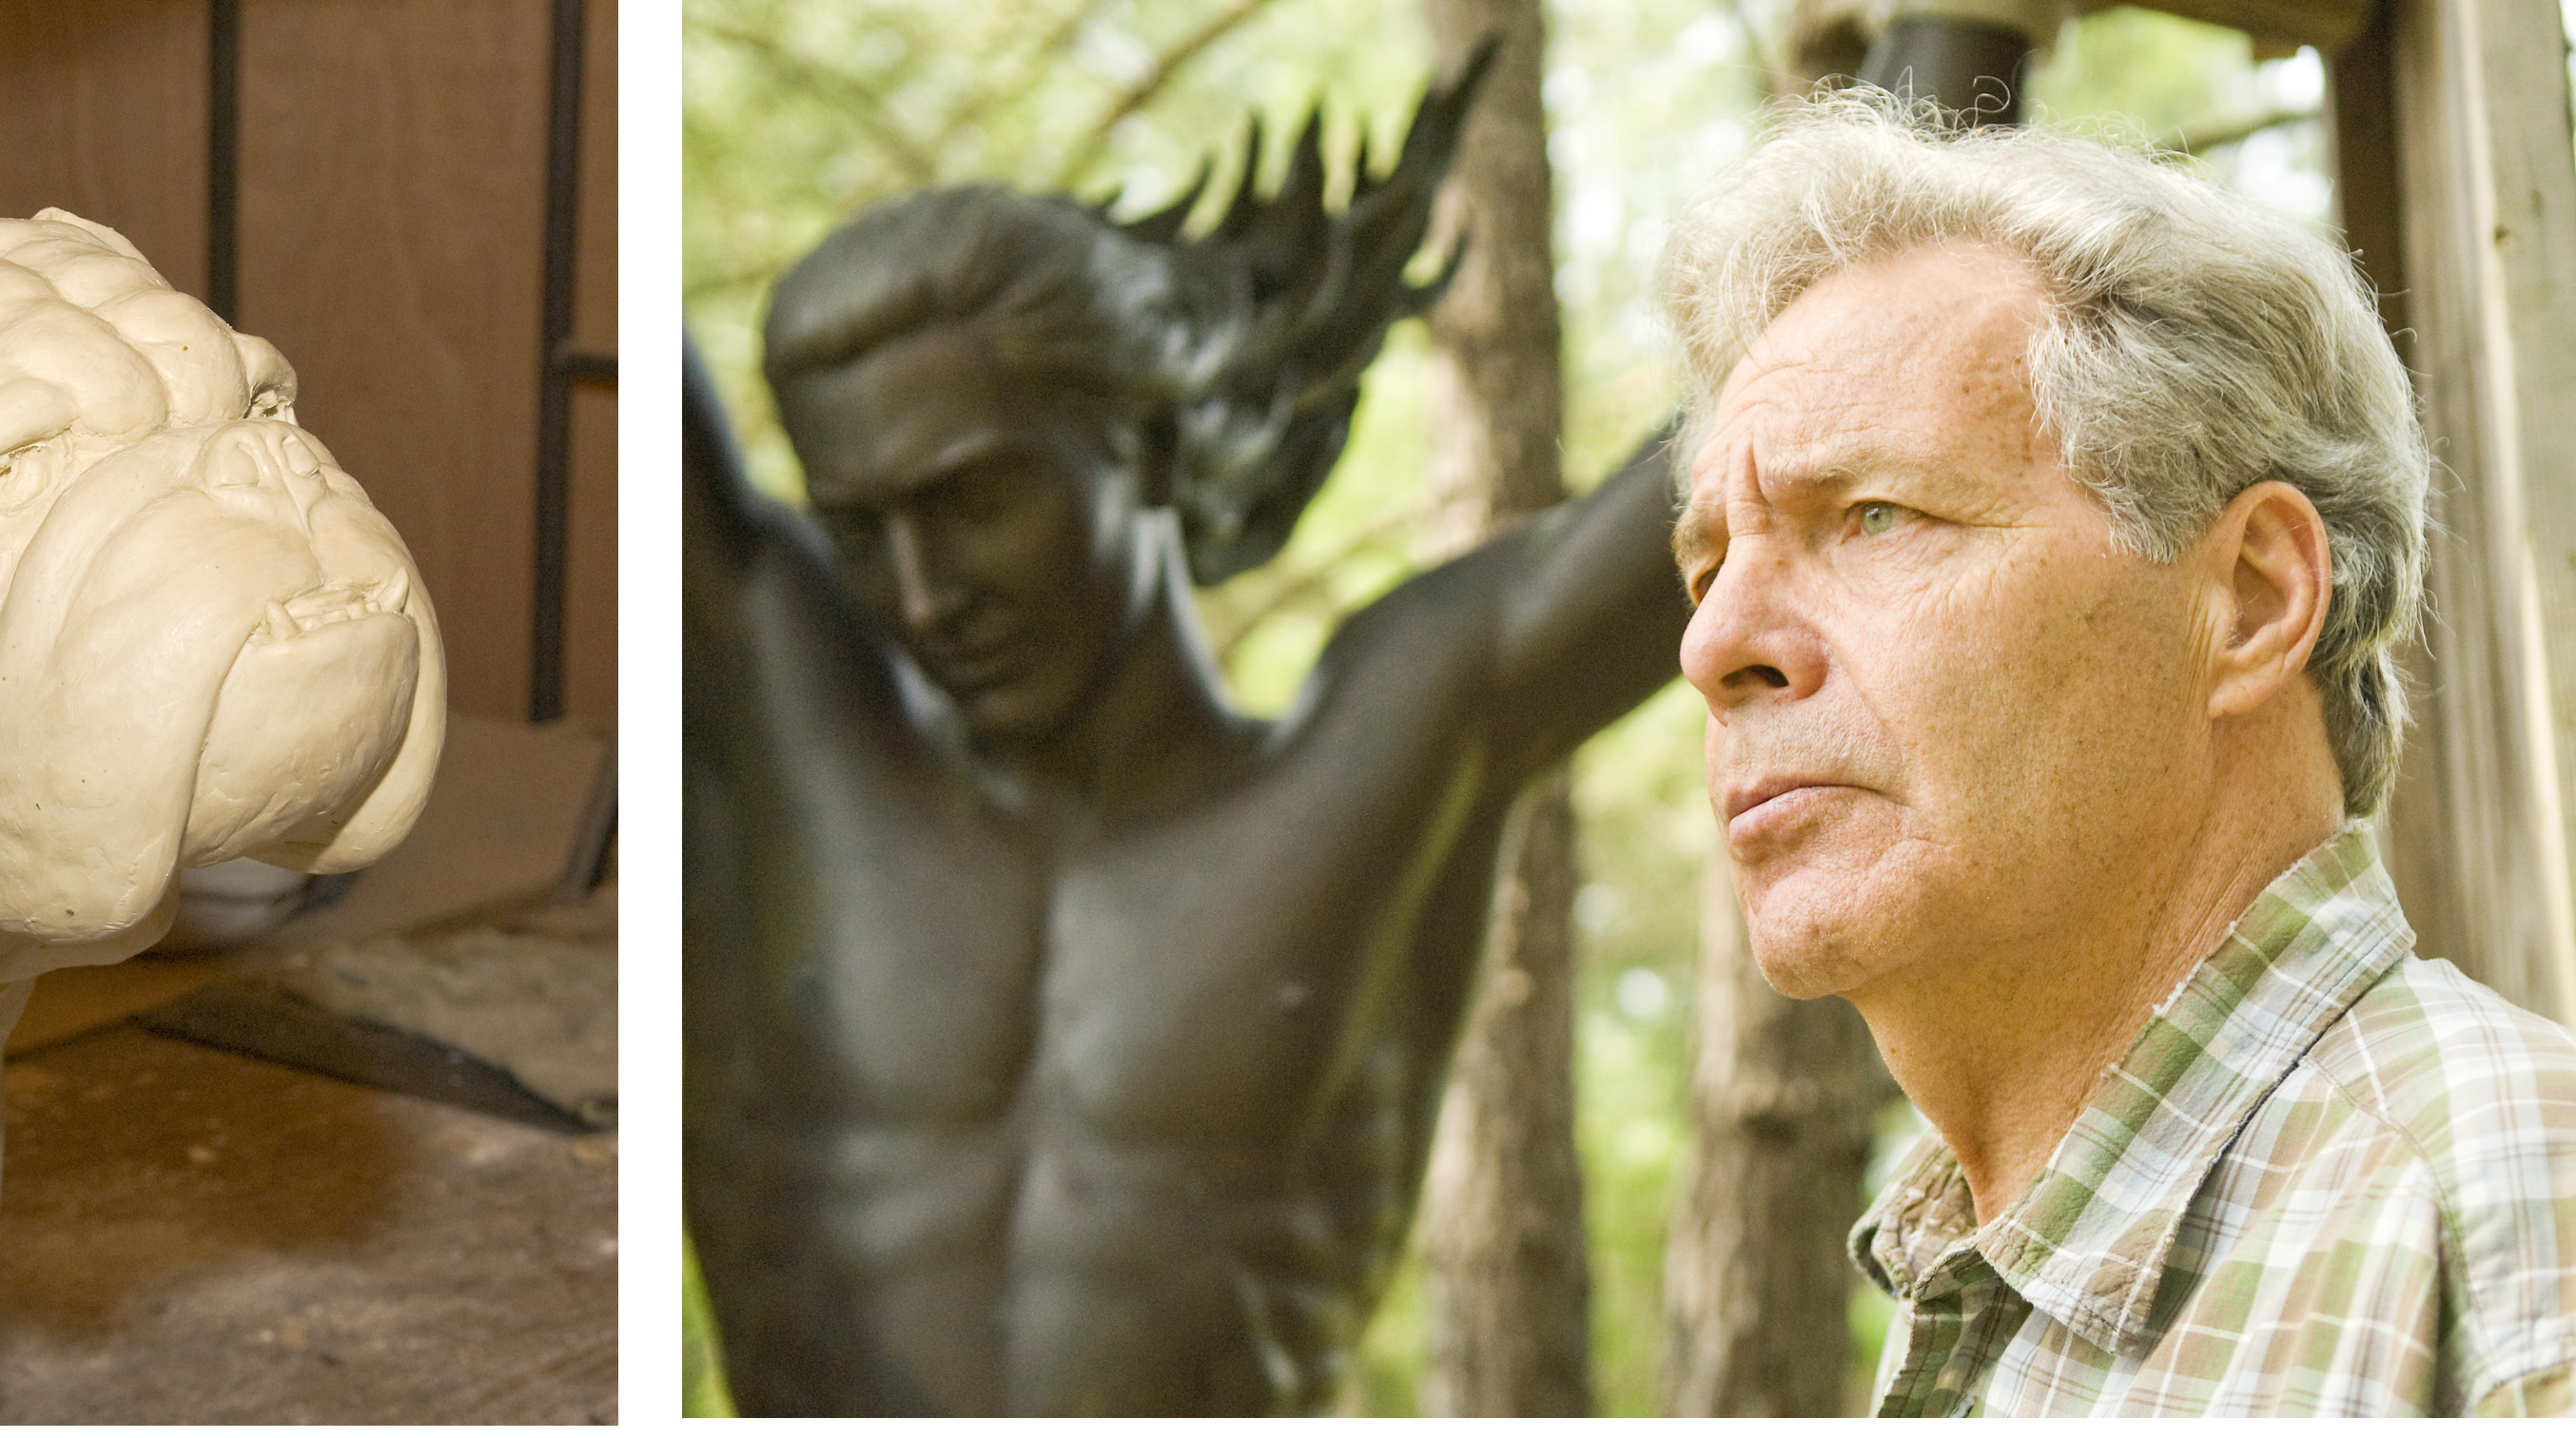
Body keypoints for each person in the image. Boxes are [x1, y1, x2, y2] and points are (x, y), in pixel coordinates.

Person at [683, 55, 1694, 1414]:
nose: (921, 598)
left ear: (1148, 449)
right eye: (860, 531)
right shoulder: (786, 718)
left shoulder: (1390, 746)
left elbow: (1809, 404)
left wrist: (1960, 22)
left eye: (978, 501)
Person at [1665, 94, 2576, 1416]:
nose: (1718, 645)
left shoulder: (2515, 1233)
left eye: (1873, 515)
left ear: (2252, 599)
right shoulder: (1989, 1269)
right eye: (1708, 563)